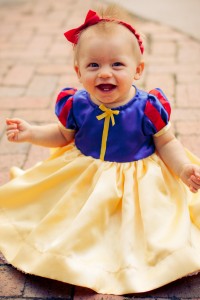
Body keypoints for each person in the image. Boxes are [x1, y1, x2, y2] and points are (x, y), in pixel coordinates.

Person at [0, 6, 200, 295]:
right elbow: (61, 135)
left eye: (117, 65)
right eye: (93, 65)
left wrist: (182, 169)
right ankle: (69, 260)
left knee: (145, 235)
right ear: (78, 72)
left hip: (138, 182)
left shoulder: (147, 108)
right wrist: (31, 133)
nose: (105, 73)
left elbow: (167, 142)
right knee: (71, 224)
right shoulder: (78, 105)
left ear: (138, 70)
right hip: (86, 177)